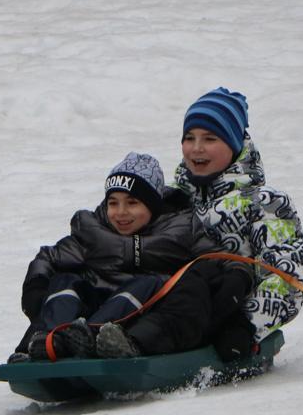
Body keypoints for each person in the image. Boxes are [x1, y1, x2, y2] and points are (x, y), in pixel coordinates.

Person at [13, 152, 234, 362]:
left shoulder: (180, 230)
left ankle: (96, 338)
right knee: (65, 282)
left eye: (132, 203)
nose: (120, 212)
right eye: (113, 203)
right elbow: (49, 258)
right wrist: (36, 286)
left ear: (153, 205)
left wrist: (228, 282)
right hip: (87, 313)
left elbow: (219, 258)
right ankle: (45, 342)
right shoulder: (93, 231)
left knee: (151, 282)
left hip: (136, 317)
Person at [168, 86, 303, 361]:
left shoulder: (265, 203)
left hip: (230, 324)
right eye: (189, 137)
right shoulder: (171, 198)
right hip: (170, 313)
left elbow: (285, 276)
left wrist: (246, 326)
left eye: (210, 138)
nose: (196, 148)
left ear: (233, 144)